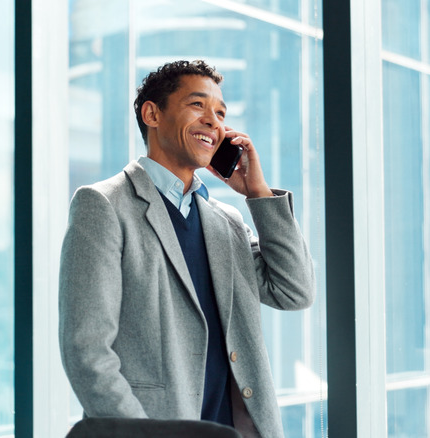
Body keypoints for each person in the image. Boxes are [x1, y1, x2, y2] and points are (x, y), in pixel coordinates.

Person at [58, 60, 315, 438]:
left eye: (221, 113)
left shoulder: (225, 221)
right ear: (152, 114)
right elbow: (87, 352)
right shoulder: (104, 206)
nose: (214, 121)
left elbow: (295, 291)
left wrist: (259, 195)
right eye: (198, 105)